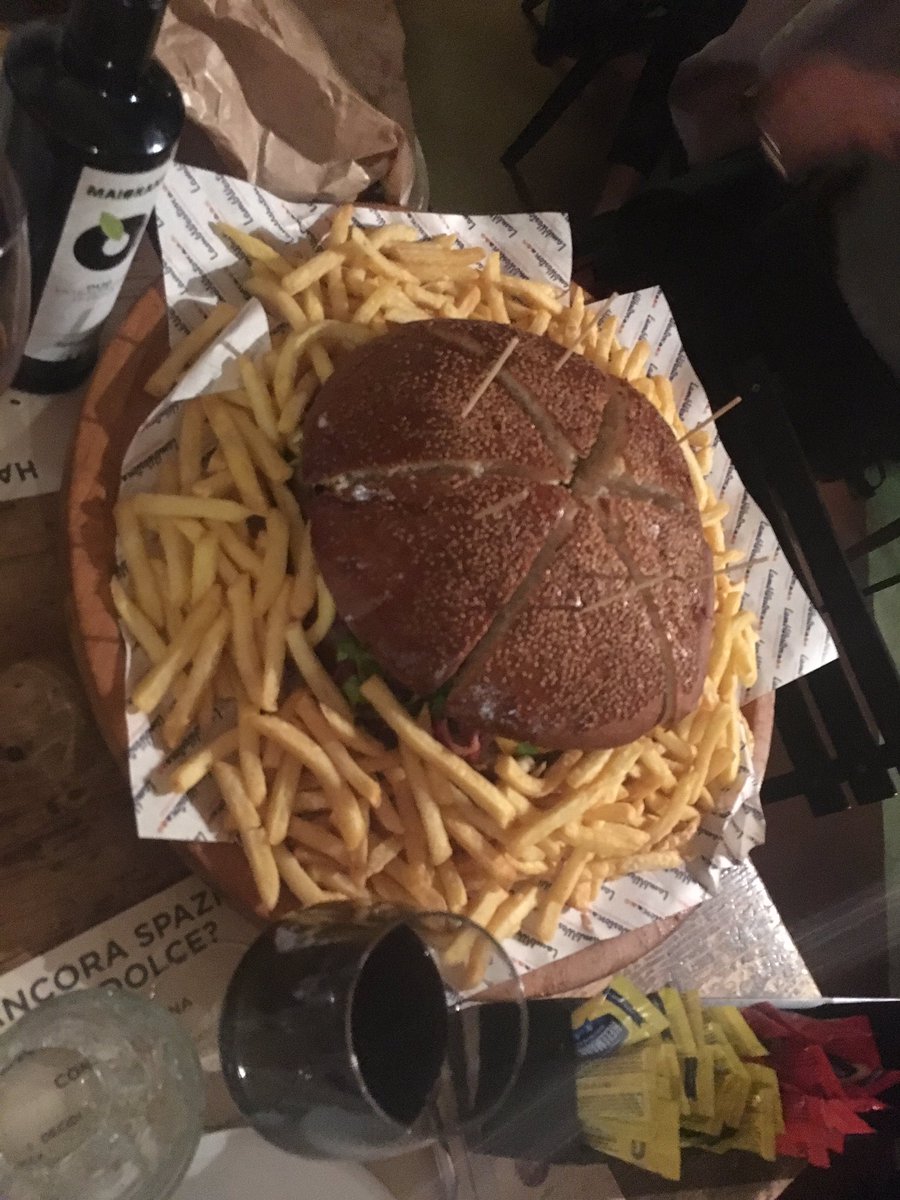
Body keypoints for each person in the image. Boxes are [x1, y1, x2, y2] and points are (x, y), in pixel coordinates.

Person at [573, 0, 900, 487]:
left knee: (710, 462)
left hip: (874, 358)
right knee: (600, 301)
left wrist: (882, 104)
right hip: (819, 202)